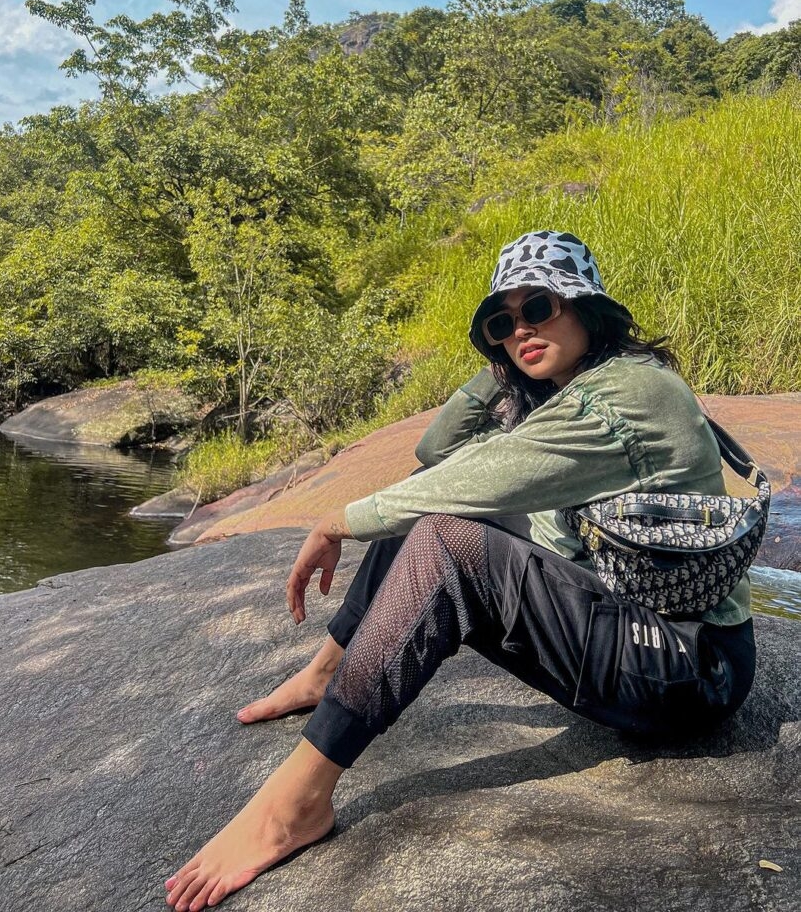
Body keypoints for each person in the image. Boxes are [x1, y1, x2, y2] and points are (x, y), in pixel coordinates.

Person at [164, 230, 756, 911]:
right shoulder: (569, 386)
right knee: (431, 502)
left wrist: (333, 521)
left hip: (687, 669)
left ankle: (295, 802)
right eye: (501, 322)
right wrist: (507, 362)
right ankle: (328, 670)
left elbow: (470, 481)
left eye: (539, 307)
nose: (521, 329)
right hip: (618, 614)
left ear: (587, 307)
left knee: (444, 535)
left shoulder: (624, 395)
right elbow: (435, 450)